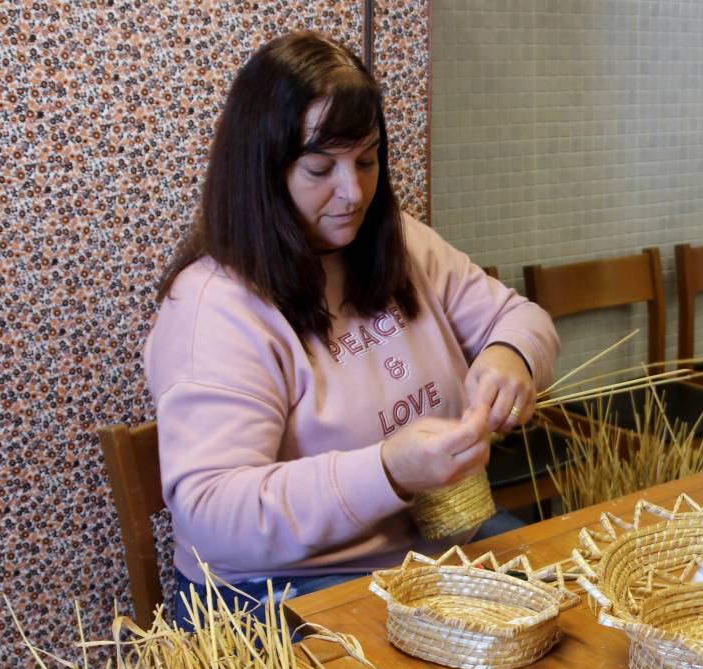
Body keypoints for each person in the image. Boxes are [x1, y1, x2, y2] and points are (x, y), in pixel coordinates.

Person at [144, 31, 558, 628]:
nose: (354, 191)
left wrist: (510, 357)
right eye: (320, 168)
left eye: (366, 161)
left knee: (563, 615)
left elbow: (520, 318)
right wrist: (386, 472)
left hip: (424, 551)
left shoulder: (399, 241)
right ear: (262, 170)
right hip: (276, 588)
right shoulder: (214, 305)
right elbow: (212, 515)